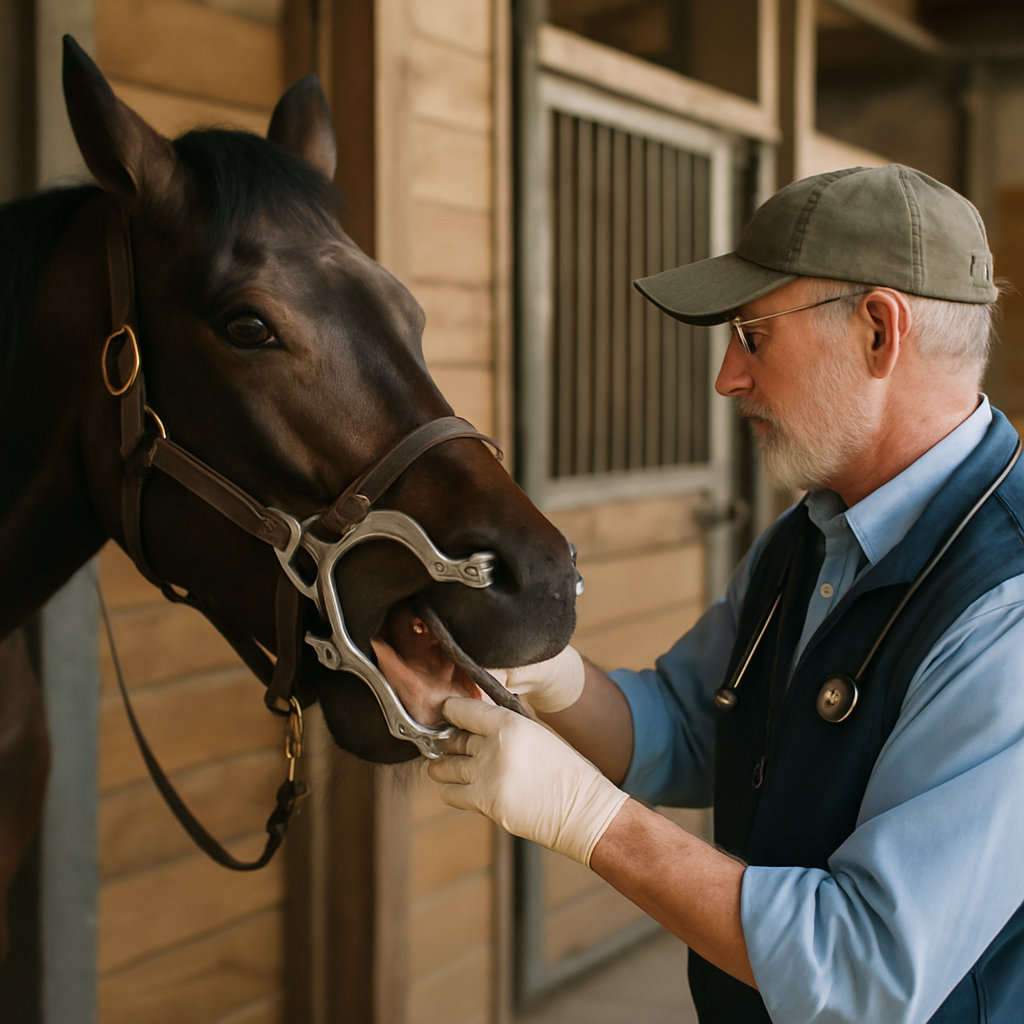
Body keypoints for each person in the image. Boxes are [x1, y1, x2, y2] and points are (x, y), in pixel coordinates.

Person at [373, 164, 1024, 1023]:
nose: (727, 377)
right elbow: (690, 730)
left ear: (878, 331)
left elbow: (862, 970)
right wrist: (545, 673)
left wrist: (593, 822)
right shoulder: (811, 537)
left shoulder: (1005, 606)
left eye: (753, 334)